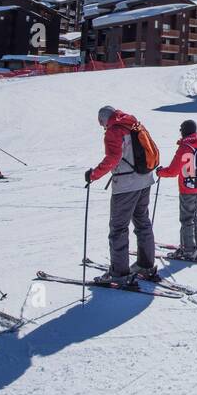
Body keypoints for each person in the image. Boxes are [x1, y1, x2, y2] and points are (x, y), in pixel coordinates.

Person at [85, 106, 158, 282]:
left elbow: (113, 158)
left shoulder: (114, 130)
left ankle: (119, 273)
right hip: (145, 179)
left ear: (104, 119)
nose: (103, 127)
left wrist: (94, 174)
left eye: (102, 123)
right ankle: (146, 265)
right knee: (143, 222)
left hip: (126, 185)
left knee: (118, 228)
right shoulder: (134, 124)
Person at [156, 119, 197, 259]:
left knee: (186, 218)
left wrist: (160, 172)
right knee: (194, 213)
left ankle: (188, 250)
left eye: (181, 129)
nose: (180, 132)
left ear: (185, 131)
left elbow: (173, 171)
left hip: (188, 188)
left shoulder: (185, 147)